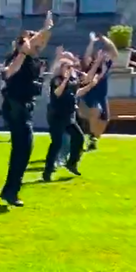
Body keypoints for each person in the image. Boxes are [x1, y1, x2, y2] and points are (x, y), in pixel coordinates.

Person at [0, 13, 53, 208]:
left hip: (25, 106)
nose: (38, 45)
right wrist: (23, 50)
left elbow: (42, 40)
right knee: (22, 149)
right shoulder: (18, 57)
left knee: (22, 150)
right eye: (33, 42)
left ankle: (10, 190)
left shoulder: (33, 58)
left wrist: (47, 30)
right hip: (16, 106)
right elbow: (8, 74)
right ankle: (11, 191)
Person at [43, 48, 85, 180]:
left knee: (79, 138)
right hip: (57, 116)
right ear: (61, 68)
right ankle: (47, 172)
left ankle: (72, 163)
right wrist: (66, 79)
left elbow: (77, 90)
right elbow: (57, 93)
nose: (70, 69)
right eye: (67, 67)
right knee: (56, 143)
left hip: (68, 116)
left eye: (71, 67)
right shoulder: (56, 80)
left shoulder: (72, 80)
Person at [80, 31, 117, 150]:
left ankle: (93, 138)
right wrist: (91, 42)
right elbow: (86, 55)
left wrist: (105, 39)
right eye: (100, 53)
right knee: (95, 114)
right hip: (91, 95)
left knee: (105, 119)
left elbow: (114, 52)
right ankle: (91, 137)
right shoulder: (90, 65)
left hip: (102, 95)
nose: (102, 54)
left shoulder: (105, 65)